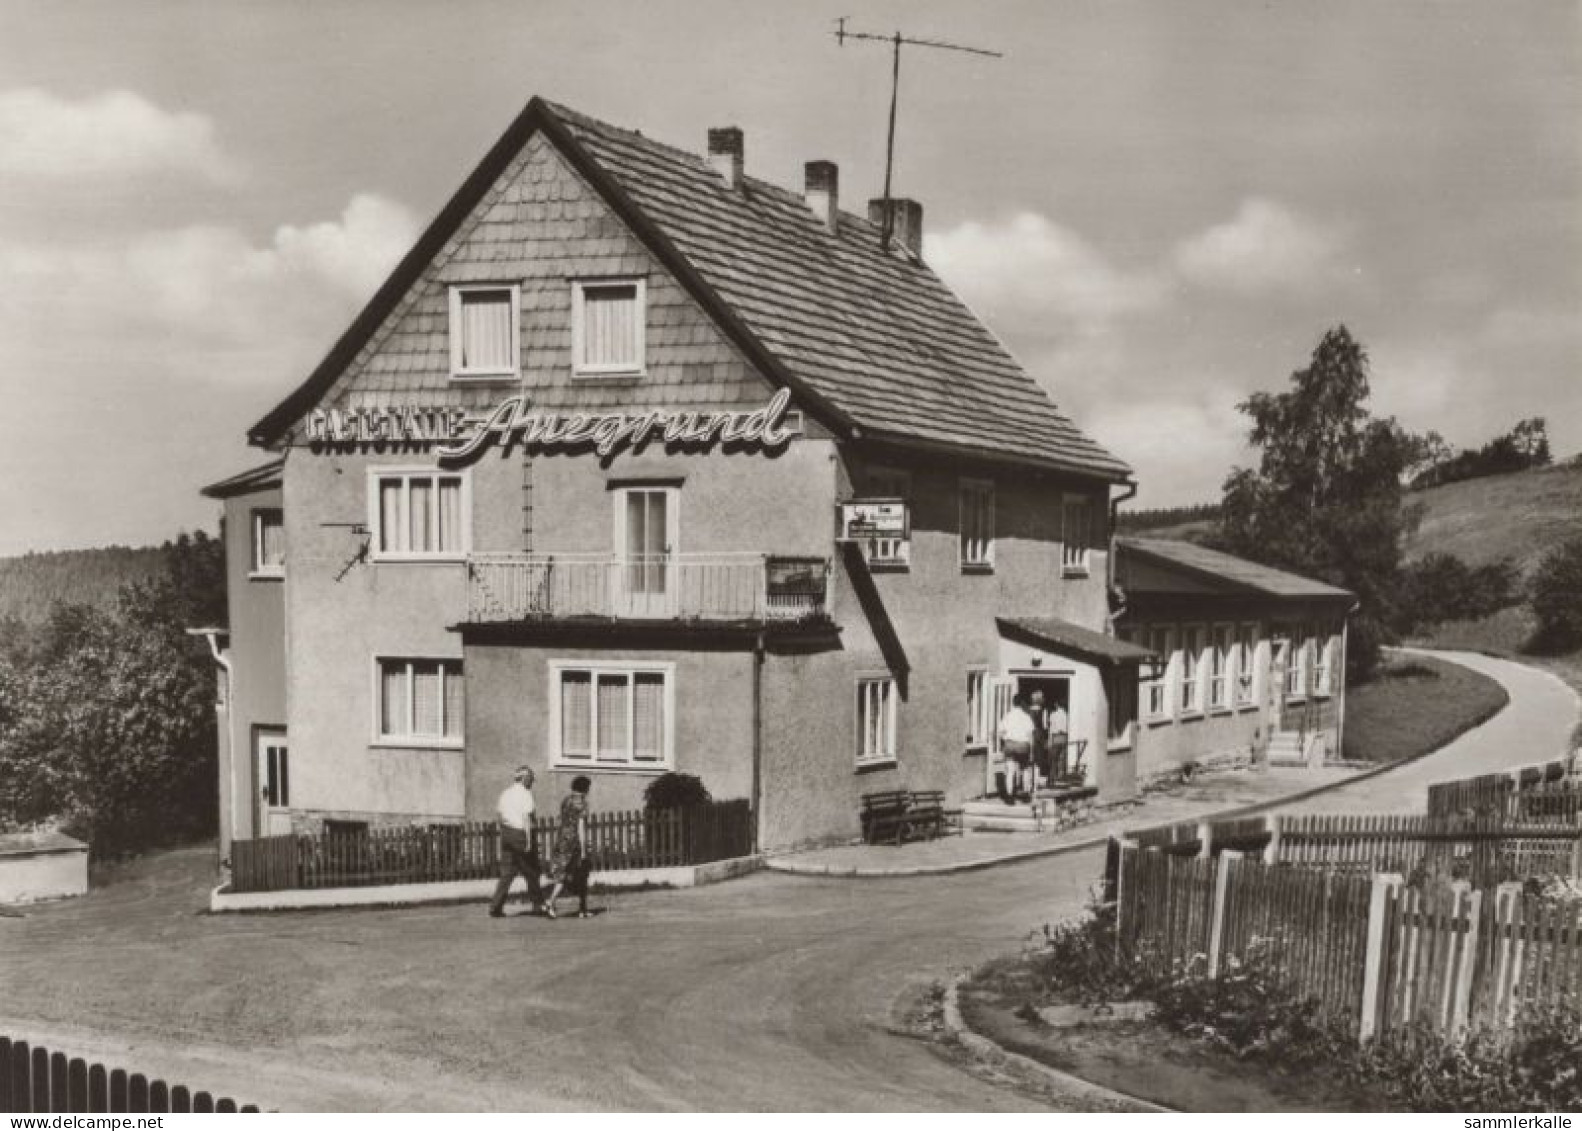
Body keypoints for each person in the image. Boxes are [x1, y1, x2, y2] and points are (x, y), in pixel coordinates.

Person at [488, 765, 544, 918]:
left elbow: (499, 816)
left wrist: (506, 833)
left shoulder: (505, 793)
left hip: (506, 833)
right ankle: (538, 905)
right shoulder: (526, 794)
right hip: (520, 834)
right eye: (531, 779)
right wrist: (529, 842)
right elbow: (527, 819)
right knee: (532, 871)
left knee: (507, 873)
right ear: (525, 779)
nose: (532, 783)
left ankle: (495, 906)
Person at [544, 775, 593, 919]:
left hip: (561, 840)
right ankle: (550, 901)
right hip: (573, 844)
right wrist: (584, 850)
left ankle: (582, 909)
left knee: (565, 874)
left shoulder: (566, 800)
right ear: (585, 789)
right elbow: (581, 827)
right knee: (574, 875)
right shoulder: (582, 803)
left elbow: (562, 820)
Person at [996, 694, 1035, 804]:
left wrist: (1005, 741)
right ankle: (1026, 794)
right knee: (1025, 769)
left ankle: (1009, 796)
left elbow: (1001, 732)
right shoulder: (1026, 717)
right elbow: (1030, 735)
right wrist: (1031, 751)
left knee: (1010, 770)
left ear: (1013, 703)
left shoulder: (1007, 716)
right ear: (1021, 703)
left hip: (1010, 745)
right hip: (1023, 745)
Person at [1027, 688, 1051, 792]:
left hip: (1029, 735)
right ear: (1040, 699)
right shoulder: (1043, 711)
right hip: (1039, 736)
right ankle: (1036, 785)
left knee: (1029, 760)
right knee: (1038, 760)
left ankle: (1028, 784)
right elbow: (1045, 726)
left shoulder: (1028, 711)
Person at [1047, 697, 1071, 780]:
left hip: (1056, 737)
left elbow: (1051, 728)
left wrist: (1049, 739)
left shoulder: (1053, 715)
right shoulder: (1066, 714)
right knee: (1062, 758)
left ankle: (1052, 776)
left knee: (1053, 759)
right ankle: (1060, 776)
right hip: (1064, 737)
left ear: (1057, 704)